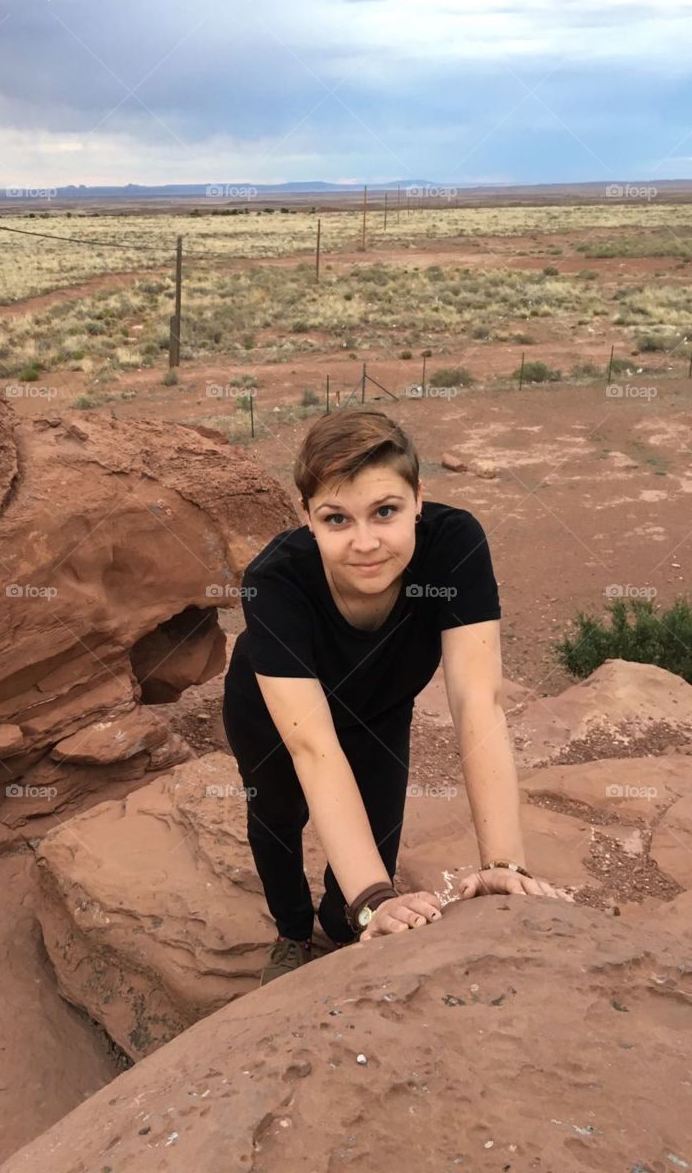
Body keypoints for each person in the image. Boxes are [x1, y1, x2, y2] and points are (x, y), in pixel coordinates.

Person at [221, 407, 572, 986]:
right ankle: (290, 932)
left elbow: (477, 701)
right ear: (307, 518)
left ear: (418, 499)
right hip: (275, 715)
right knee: (277, 817)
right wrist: (375, 899)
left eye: (385, 511)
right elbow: (312, 747)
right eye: (337, 519)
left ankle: (344, 922)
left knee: (378, 838)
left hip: (380, 706)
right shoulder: (274, 581)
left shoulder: (454, 544)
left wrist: (503, 864)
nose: (366, 543)